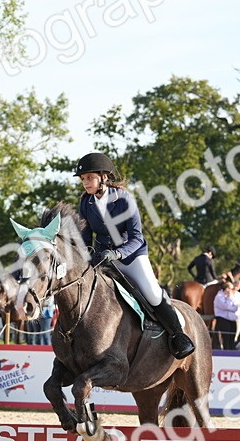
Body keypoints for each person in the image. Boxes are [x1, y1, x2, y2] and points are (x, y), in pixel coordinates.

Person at [74, 151, 195, 358]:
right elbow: (85, 239)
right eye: (83, 179)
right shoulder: (86, 203)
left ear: (104, 177)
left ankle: (178, 336)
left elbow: (136, 237)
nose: (86, 183)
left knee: (152, 293)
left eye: (90, 177)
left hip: (131, 256)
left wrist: (118, 254)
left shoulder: (124, 200)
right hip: (103, 258)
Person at [212, 274, 240, 350]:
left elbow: (235, 305)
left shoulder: (234, 295)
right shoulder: (219, 296)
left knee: (232, 339)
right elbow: (228, 307)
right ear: (226, 289)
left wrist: (235, 306)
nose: (231, 290)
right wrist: (236, 306)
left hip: (232, 319)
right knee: (226, 339)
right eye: (230, 288)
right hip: (223, 319)